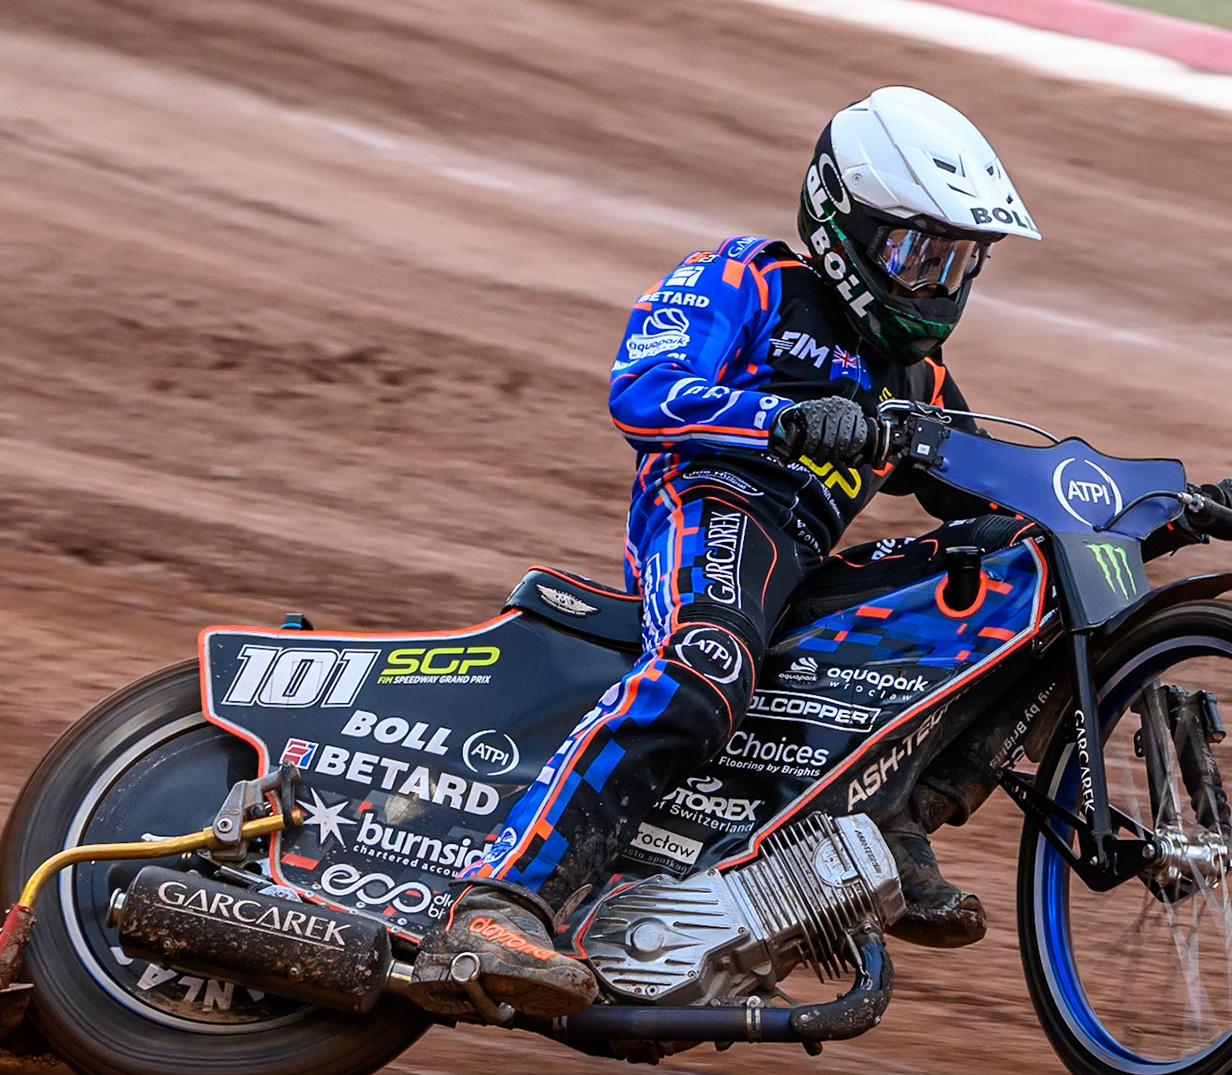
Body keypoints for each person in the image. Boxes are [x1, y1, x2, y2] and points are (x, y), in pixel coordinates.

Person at [403, 87, 1051, 1018]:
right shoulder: (747, 277)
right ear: (844, 224)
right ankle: (499, 903)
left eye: (956, 260)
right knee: (707, 661)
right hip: (706, 507)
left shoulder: (920, 378)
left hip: (799, 564)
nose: (936, 283)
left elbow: (997, 489)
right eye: (917, 253)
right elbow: (640, 388)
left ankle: (894, 815)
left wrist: (1159, 506)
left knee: (1022, 574)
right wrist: (786, 418)